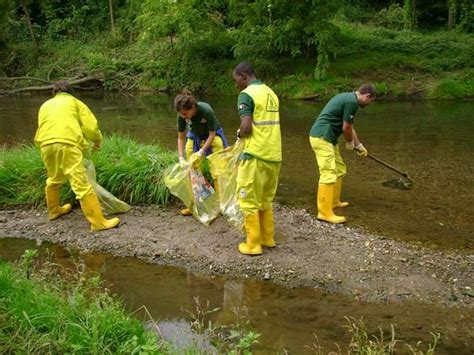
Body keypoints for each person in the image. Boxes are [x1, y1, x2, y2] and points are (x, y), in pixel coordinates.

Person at [34, 80, 120, 231]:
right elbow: (90, 127)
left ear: (55, 93)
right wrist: (97, 140)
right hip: (67, 143)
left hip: (45, 144)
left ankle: (54, 211)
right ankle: (98, 222)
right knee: (81, 184)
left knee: (54, 178)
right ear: (71, 92)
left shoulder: (45, 105)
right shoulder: (75, 103)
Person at [232, 62, 282, 256]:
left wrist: (238, 134)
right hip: (274, 154)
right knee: (265, 199)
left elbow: (246, 128)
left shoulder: (246, 95)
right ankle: (267, 238)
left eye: (236, 79)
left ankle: (252, 244)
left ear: (243, 75)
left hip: (255, 155)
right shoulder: (271, 92)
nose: (236, 83)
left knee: (248, 199)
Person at [309, 84, 376, 224]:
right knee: (328, 173)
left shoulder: (349, 98)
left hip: (328, 139)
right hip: (321, 137)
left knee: (339, 169)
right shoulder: (351, 102)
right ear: (367, 96)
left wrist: (359, 145)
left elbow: (349, 127)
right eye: (370, 101)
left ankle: (333, 202)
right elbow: (346, 128)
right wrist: (350, 143)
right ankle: (324, 212)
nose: (369, 104)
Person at [174, 89, 229, 216]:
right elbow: (181, 137)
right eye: (181, 114)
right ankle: (196, 205)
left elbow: (212, 134)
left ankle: (221, 205)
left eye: (185, 114)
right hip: (195, 136)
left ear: (193, 108)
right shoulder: (181, 115)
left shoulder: (206, 111)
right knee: (192, 171)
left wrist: (202, 151)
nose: (183, 116)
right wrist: (181, 157)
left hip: (213, 136)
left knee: (218, 172)